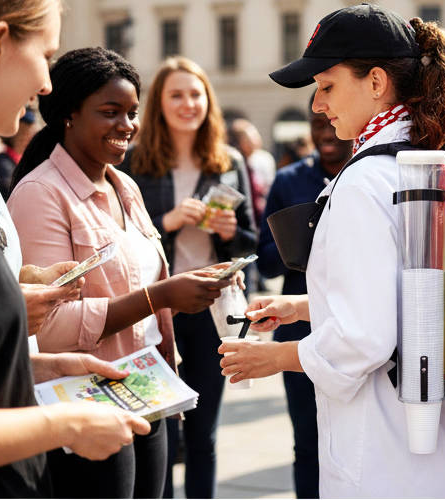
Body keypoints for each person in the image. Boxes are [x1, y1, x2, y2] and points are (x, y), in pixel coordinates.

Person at [220, 5, 445, 497]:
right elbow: (412, 292)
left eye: (326, 85)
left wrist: (276, 358)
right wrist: (301, 306)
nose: (317, 105)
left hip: (389, 447)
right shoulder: (428, 158)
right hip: (444, 434)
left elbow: (364, 336)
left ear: (375, 82)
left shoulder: (367, 178)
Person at [7, 47, 234, 498]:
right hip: (85, 402)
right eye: (110, 112)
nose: (127, 125)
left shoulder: (122, 183)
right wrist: (162, 296)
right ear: (69, 115)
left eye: (131, 113)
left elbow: (140, 276)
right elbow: (45, 327)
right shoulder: (40, 194)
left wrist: (208, 277)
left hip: (146, 387)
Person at [0, 0, 155, 495]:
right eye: (46, 55)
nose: (46, 86)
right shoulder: (38, 190)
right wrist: (65, 425)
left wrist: (41, 359)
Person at [117, 55, 257, 499]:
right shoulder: (135, 160)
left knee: (204, 435)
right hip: (155, 310)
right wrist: (169, 220)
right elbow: (119, 237)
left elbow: (252, 243)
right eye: (176, 94)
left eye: (195, 94)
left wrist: (234, 233)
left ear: (207, 101)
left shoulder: (227, 160)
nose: (187, 103)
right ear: (159, 103)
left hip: (213, 310)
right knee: (160, 434)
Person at [256, 94, 352, 498]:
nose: (325, 134)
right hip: (299, 328)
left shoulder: (363, 177)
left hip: (350, 328)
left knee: (349, 445)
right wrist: (301, 241)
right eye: (317, 126)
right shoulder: (289, 180)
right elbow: (265, 263)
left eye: (331, 125)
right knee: (307, 442)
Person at [229, 117, 276, 223]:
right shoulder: (233, 164)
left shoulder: (264, 159)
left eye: (255, 135)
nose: (255, 139)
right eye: (249, 137)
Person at [0, 107, 39, 199]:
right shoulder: (2, 164)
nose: (28, 138)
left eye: (30, 134)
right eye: (24, 134)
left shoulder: (26, 162)